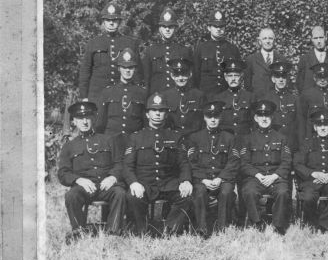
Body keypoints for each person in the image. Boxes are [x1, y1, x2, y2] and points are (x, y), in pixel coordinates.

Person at [122, 92, 194, 236]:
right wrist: (134, 183)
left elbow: (183, 164)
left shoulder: (175, 137)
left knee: (187, 195)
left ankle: (168, 231)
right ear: (147, 114)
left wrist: (186, 181)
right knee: (132, 196)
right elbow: (127, 166)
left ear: (166, 114)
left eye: (161, 111)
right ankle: (142, 231)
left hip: (168, 183)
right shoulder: (136, 138)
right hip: (145, 183)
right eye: (154, 110)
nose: (157, 114)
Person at [57, 100, 127, 235]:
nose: (84, 122)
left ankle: (113, 231)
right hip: (84, 187)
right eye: (80, 118)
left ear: (94, 119)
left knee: (120, 193)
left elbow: (120, 163)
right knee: (71, 196)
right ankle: (79, 231)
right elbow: (63, 173)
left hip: (106, 186)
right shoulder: (69, 146)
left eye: (87, 118)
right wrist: (78, 180)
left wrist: (112, 177)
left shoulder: (108, 140)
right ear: (74, 122)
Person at [236, 100, 293, 234]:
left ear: (272, 117)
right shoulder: (247, 139)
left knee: (283, 192)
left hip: (276, 176)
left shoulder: (282, 138)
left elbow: (286, 162)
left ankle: (278, 226)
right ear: (256, 118)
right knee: (249, 191)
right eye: (261, 115)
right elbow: (244, 163)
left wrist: (274, 176)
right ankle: (257, 223)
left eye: (267, 115)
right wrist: (258, 175)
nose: (264, 118)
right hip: (256, 177)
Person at [184, 101, 238, 238]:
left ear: (221, 117)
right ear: (204, 118)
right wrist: (203, 179)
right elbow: (192, 162)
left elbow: (233, 161)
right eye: (209, 116)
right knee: (200, 191)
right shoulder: (195, 137)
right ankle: (201, 229)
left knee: (226, 192)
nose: (213, 120)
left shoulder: (230, 138)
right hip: (203, 179)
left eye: (216, 116)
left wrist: (221, 178)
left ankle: (222, 229)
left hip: (222, 178)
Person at [78, 2, 141, 103]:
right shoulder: (93, 43)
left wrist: (137, 95)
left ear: (119, 22)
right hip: (97, 96)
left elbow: (137, 72)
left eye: (114, 20)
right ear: (103, 21)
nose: (111, 23)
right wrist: (84, 96)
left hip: (122, 96)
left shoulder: (130, 43)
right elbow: (85, 72)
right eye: (108, 20)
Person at [94, 47, 147, 142]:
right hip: (111, 141)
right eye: (124, 67)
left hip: (134, 142)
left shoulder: (142, 93)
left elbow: (145, 123)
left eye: (130, 67)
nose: (127, 71)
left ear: (134, 68)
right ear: (119, 68)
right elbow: (100, 124)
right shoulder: (107, 92)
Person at [141, 7, 192, 95]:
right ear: (160, 28)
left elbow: (190, 79)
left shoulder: (184, 51)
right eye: (164, 26)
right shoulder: (150, 51)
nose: (167, 29)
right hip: (157, 99)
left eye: (170, 26)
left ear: (175, 28)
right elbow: (146, 79)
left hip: (178, 97)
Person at [194, 10, 241, 96]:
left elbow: (238, 74)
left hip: (227, 95)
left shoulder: (233, 49)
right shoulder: (201, 48)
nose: (218, 29)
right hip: (206, 95)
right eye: (215, 26)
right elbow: (196, 75)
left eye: (221, 26)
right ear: (209, 28)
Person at [161, 58, 206, 143]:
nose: (180, 78)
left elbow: (204, 122)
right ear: (172, 76)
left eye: (184, 74)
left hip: (195, 140)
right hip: (173, 139)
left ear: (190, 74)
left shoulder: (199, 95)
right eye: (177, 75)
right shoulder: (166, 96)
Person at [299, 61, 328, 139]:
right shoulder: (307, 95)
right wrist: (305, 140)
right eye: (319, 77)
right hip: (313, 139)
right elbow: (302, 120)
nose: (322, 80)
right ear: (314, 77)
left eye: (325, 76)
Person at [264, 61, 301, 152]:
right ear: (273, 79)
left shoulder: (294, 99)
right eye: (277, 77)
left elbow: (300, 124)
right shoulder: (267, 98)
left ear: (287, 79)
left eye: (284, 77)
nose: (281, 80)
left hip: (291, 143)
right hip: (273, 143)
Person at [296, 25, 328, 93]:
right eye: (316, 38)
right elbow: (300, 84)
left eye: (321, 37)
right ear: (312, 40)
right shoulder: (304, 59)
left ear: (325, 38)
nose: (319, 41)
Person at [244, 27, 288, 99]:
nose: (268, 41)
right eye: (264, 38)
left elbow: (286, 82)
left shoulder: (282, 59)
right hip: (258, 101)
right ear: (260, 41)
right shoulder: (251, 60)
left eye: (270, 38)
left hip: (277, 100)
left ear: (274, 40)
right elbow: (247, 85)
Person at [218, 59, 254, 139]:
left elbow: (254, 123)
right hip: (225, 140)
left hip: (245, 138)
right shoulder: (218, 98)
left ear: (241, 76)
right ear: (225, 77)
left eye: (236, 75)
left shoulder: (250, 97)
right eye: (230, 76)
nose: (233, 79)